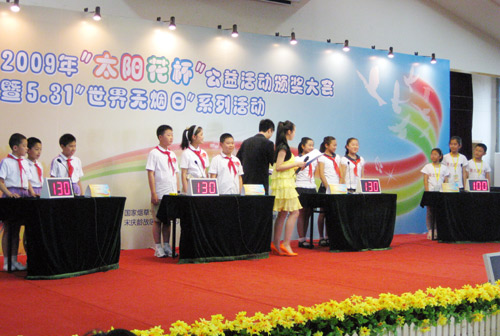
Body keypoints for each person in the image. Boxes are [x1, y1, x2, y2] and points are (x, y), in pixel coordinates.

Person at [0, 133, 36, 271]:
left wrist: (32, 192)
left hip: (23, 195)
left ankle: (15, 260)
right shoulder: (6, 162)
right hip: (11, 196)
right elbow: (1, 181)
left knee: (19, 230)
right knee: (10, 229)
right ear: (15, 147)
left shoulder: (25, 163)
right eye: (24, 146)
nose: (27, 149)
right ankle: (8, 261)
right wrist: (9, 194)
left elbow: (27, 180)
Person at [270, 120, 305, 256]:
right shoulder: (283, 147)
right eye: (294, 131)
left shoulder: (282, 145)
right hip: (285, 184)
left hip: (284, 182)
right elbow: (278, 166)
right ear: (289, 132)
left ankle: (276, 242)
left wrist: (296, 166)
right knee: (295, 212)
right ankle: (285, 243)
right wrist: (295, 163)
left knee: (283, 213)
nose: (294, 134)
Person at [146, 125, 180, 258]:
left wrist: (176, 190)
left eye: (172, 134)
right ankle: (158, 247)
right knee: (157, 220)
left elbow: (175, 173)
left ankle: (167, 245)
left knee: (168, 221)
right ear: (160, 137)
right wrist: (153, 192)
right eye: (168, 135)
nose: (171, 137)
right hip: (159, 193)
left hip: (171, 194)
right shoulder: (154, 153)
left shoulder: (172, 154)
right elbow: (150, 173)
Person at [236, 119, 275, 195]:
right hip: (260, 184)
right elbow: (273, 161)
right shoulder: (268, 143)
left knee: (248, 205)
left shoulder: (246, 142)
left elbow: (238, 160)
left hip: (246, 182)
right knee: (260, 204)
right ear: (269, 130)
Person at [316, 136, 342, 247]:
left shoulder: (338, 157)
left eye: (336, 145)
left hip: (336, 188)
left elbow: (340, 173)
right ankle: (321, 237)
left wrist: (339, 186)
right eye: (333, 145)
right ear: (326, 145)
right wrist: (328, 188)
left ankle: (328, 236)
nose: (335, 147)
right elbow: (321, 174)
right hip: (325, 188)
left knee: (332, 214)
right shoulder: (321, 157)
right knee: (323, 213)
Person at [421, 148, 449, 239]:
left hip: (441, 192)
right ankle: (430, 230)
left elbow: (446, 180)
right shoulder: (427, 167)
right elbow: (425, 179)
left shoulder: (444, 168)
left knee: (439, 211)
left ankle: (438, 230)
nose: (433, 156)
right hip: (431, 192)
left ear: (440, 156)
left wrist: (446, 190)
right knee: (430, 211)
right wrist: (427, 191)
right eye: (432, 154)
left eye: (435, 154)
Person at [295, 137, 318, 248]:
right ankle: (301, 239)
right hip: (300, 186)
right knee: (301, 213)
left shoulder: (315, 160)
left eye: (312, 145)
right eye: (309, 145)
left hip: (311, 187)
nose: (311, 147)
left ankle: (305, 238)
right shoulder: (296, 159)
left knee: (308, 213)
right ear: (303, 146)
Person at [180, 125, 209, 194]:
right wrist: (187, 192)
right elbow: (183, 174)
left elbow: (205, 171)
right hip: (191, 185)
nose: (203, 137)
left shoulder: (203, 152)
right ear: (194, 137)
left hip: (203, 186)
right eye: (201, 135)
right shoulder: (186, 153)